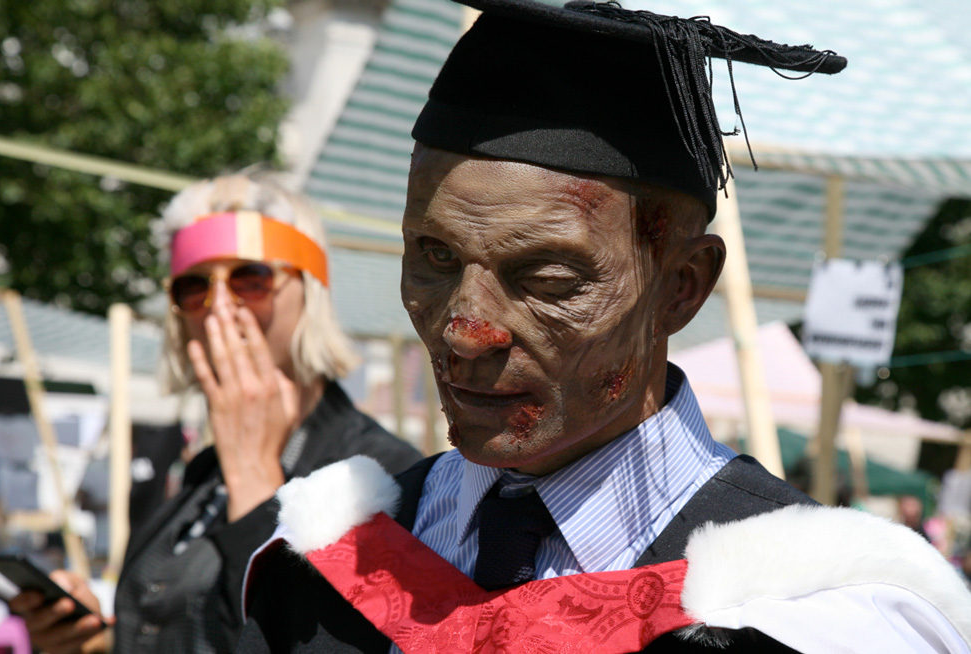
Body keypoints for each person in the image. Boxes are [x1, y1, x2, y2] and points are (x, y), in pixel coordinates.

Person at [240, 2, 971, 652]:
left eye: (548, 279)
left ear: (681, 288)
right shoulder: (333, 570)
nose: (466, 330)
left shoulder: (810, 615)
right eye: (433, 257)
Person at [9, 173, 422, 653]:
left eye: (251, 279)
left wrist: (255, 480)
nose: (220, 307)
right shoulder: (204, 478)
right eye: (194, 287)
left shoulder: (381, 475)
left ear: (308, 292)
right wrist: (91, 642)